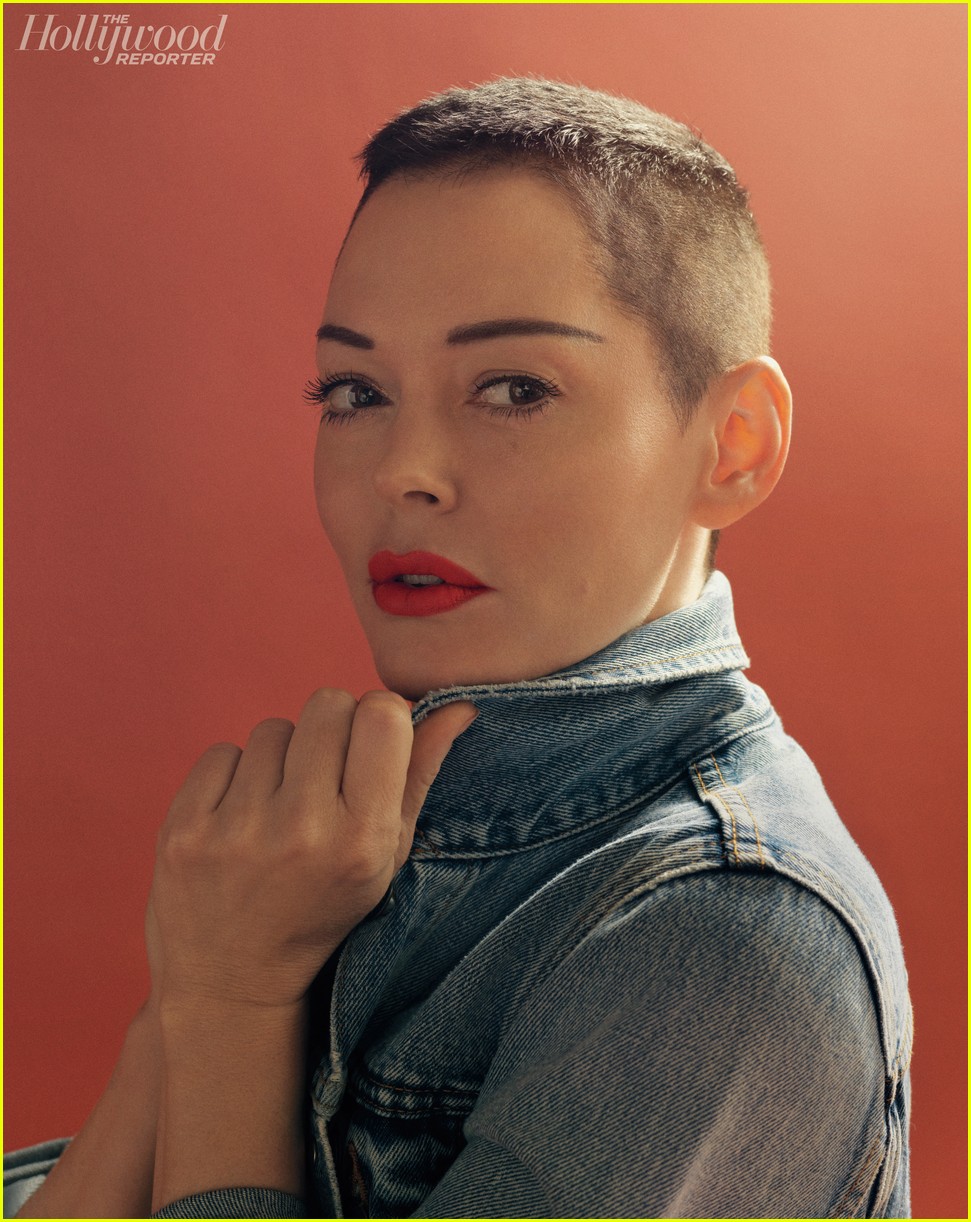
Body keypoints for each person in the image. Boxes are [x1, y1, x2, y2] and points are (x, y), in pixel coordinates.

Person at [5, 76, 911, 1219]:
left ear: (731, 445)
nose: (402, 471)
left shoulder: (724, 925)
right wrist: (191, 1000)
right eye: (354, 390)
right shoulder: (314, 858)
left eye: (513, 387)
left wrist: (230, 1010)